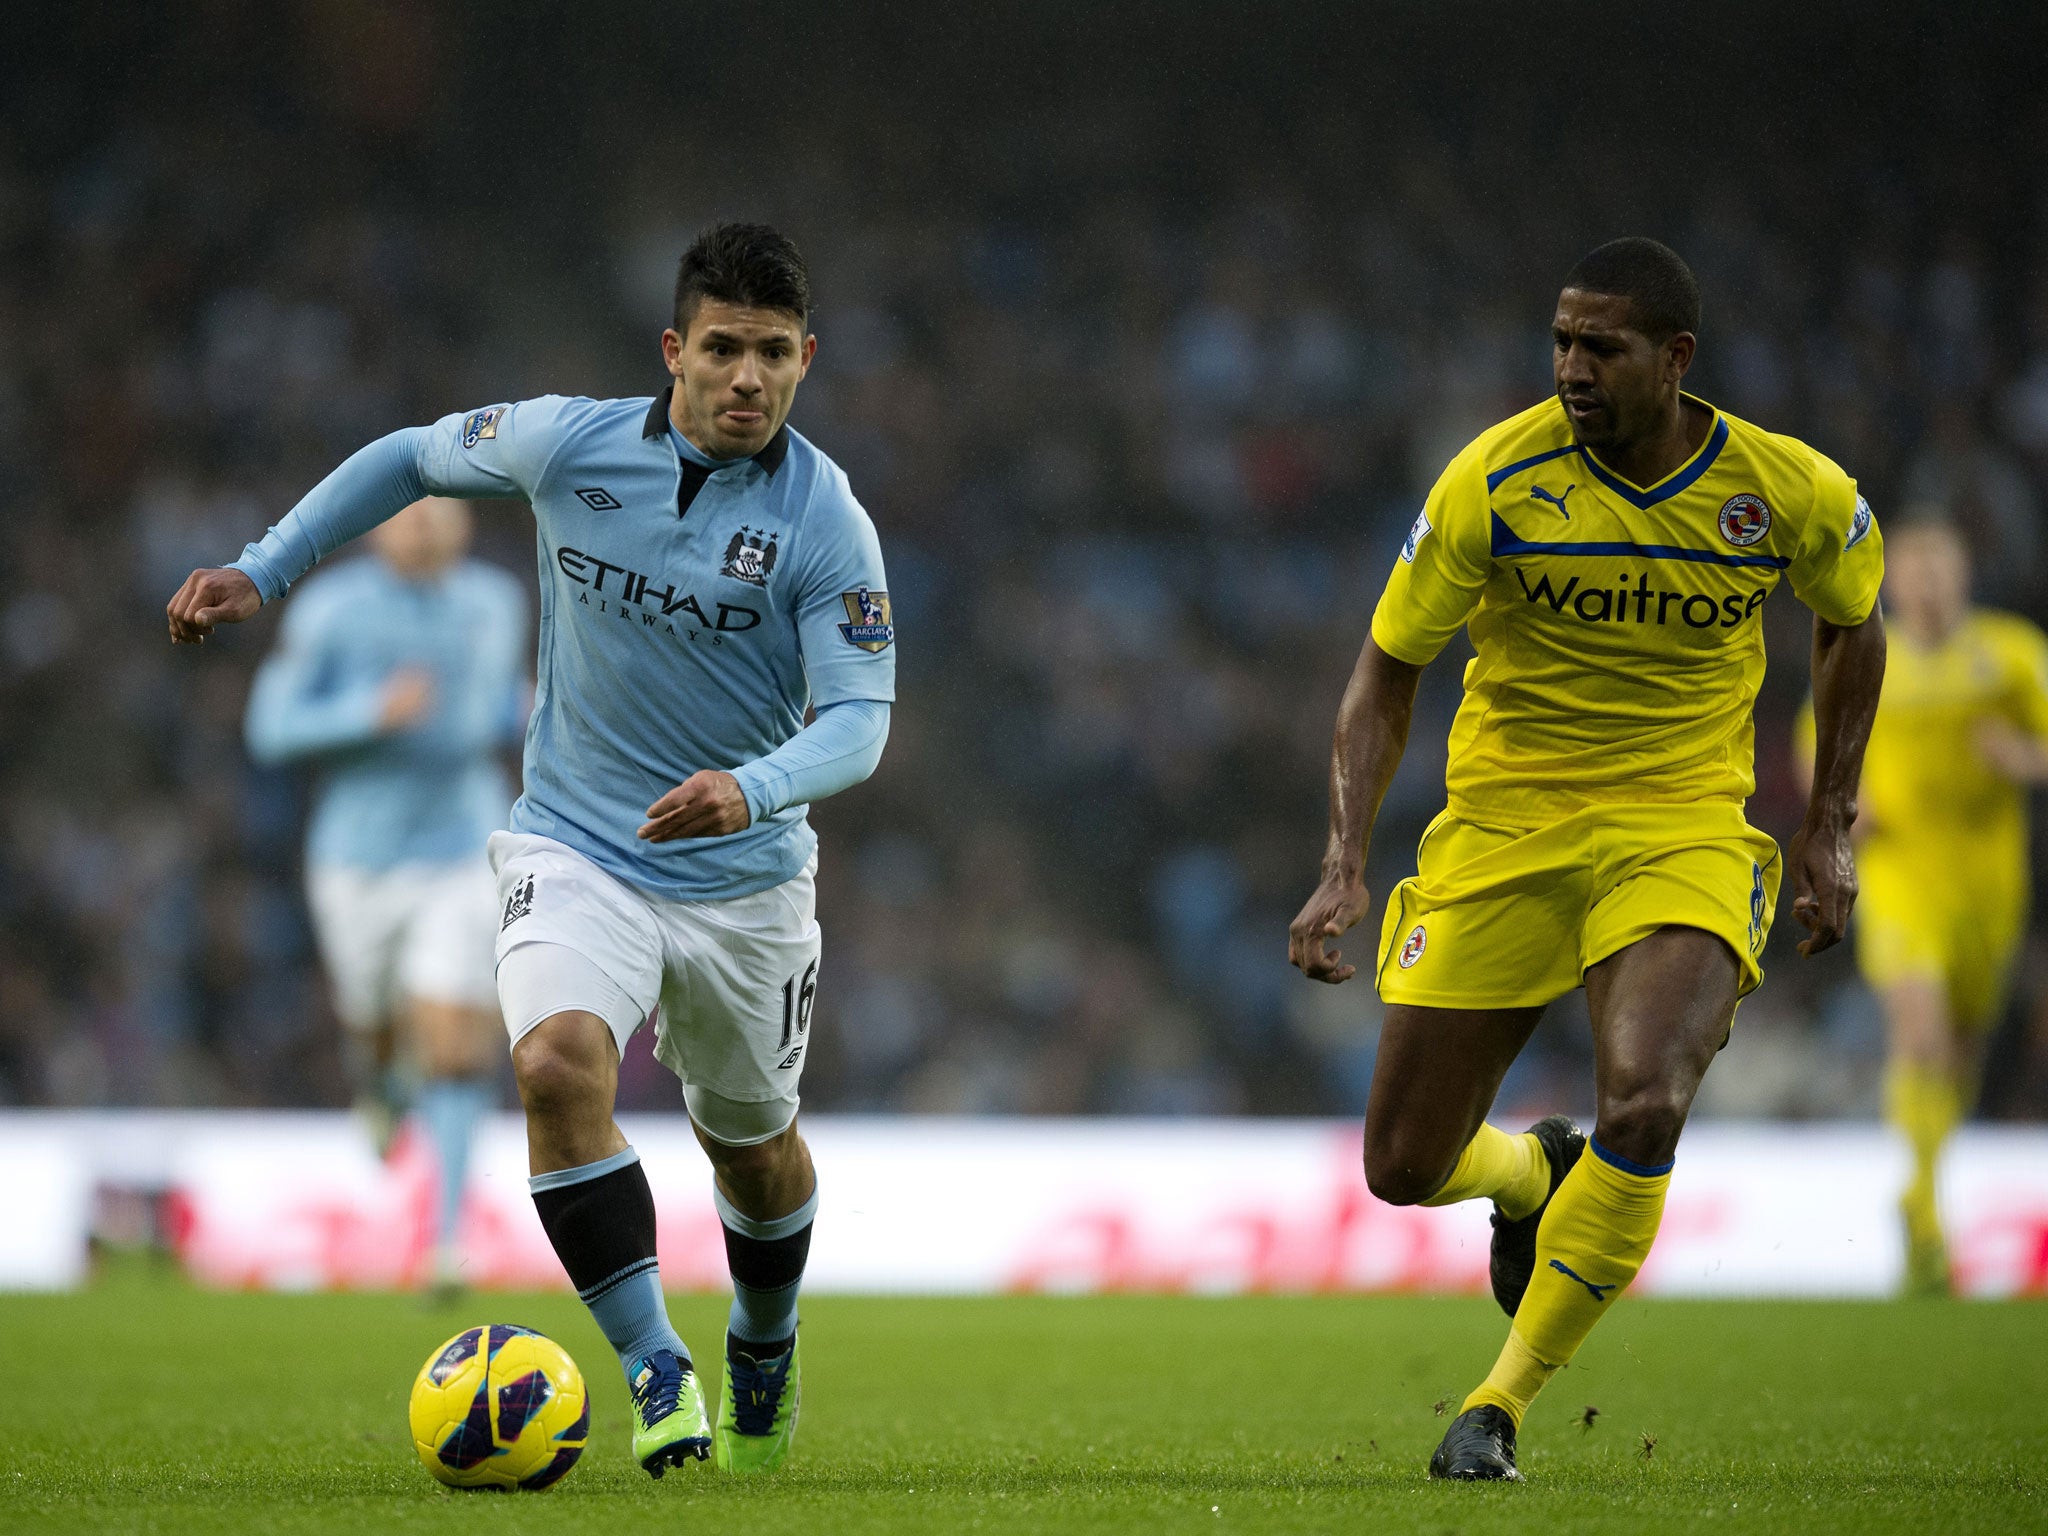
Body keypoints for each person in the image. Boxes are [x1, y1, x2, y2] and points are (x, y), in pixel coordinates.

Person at [167, 223, 894, 1479]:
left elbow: (860, 722)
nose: (747, 380)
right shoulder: (568, 442)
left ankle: (762, 1339)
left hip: (744, 886)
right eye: (722, 348)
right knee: (556, 1067)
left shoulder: (826, 522)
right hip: (576, 850)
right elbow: (407, 457)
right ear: (673, 350)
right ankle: (657, 1370)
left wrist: (754, 788)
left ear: (806, 360)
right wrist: (266, 565)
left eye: (775, 355)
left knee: (754, 1150)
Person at [1287, 237, 1886, 1481]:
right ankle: (1529, 1171)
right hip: (1504, 832)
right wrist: (1345, 857)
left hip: (1682, 828)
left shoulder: (1786, 492)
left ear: (1672, 360)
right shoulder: (1491, 480)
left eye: (1597, 347)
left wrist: (1826, 820)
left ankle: (1495, 1407)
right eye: (1559, 340)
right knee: (1401, 1168)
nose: (1567, 367)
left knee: (1647, 1096)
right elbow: (1385, 671)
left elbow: (1850, 625)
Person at [244, 495, 528, 1298]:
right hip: (358, 857)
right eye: (411, 513)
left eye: (444, 513)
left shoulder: (496, 601)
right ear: (377, 526)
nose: (428, 526)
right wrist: (372, 711)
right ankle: (378, 1087)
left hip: (465, 844)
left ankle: (446, 1242)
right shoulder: (335, 610)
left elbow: (504, 699)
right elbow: (270, 727)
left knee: (452, 1037)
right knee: (375, 1029)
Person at [1798, 516, 2048, 1294]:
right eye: (1913, 572)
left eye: (1940, 570)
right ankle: (1926, 1213)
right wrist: (1844, 802)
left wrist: (2023, 758)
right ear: (1893, 583)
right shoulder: (1871, 657)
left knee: (1964, 1045)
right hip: (1900, 869)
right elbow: (1819, 741)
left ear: (1963, 576)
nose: (1928, 586)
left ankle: (1922, 1191)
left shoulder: (2009, 654)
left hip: (1987, 877)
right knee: (1922, 1030)